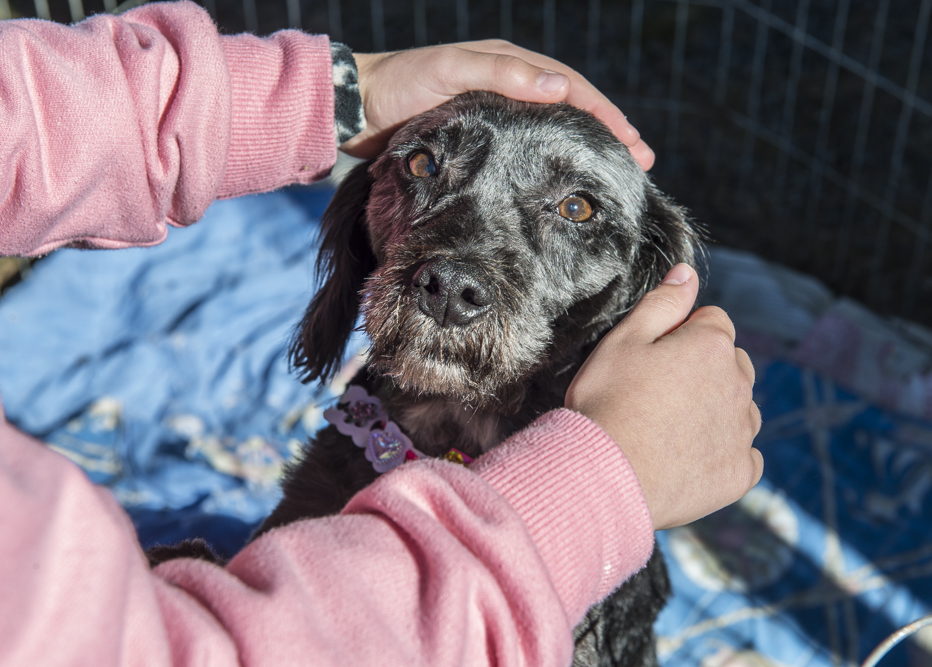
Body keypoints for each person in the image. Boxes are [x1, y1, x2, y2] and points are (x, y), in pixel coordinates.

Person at [0, 2, 762, 665]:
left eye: (575, 211)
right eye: (426, 165)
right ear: (363, 228)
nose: (455, 269)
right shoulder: (344, 453)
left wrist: (339, 92)